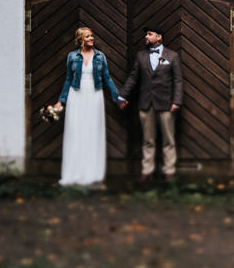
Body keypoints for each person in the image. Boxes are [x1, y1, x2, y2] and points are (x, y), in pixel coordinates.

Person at [119, 25, 184, 181]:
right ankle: (147, 171)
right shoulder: (141, 56)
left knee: (168, 140)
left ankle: (169, 171)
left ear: (159, 37)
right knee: (148, 140)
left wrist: (177, 101)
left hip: (166, 104)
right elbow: (133, 77)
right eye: (146, 35)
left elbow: (178, 80)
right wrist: (123, 96)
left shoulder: (172, 56)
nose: (146, 37)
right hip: (146, 103)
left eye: (150, 34)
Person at [56, 26, 120, 187]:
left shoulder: (100, 56)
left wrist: (116, 96)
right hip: (76, 95)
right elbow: (68, 80)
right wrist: (61, 100)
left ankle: (93, 172)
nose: (91, 39)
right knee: (75, 131)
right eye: (87, 37)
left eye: (92, 36)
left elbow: (107, 77)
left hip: (94, 94)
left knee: (93, 130)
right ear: (80, 39)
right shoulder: (72, 56)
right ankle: (73, 173)